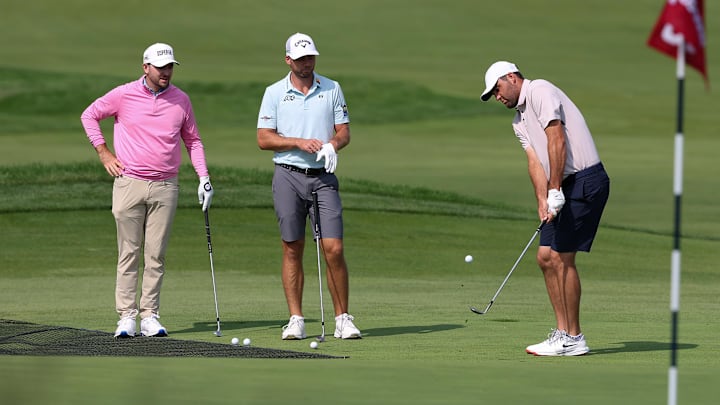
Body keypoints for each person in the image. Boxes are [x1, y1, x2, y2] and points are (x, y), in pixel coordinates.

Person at [81, 43, 214, 338]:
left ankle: (149, 315)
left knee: (156, 255)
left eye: (170, 67)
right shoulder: (124, 94)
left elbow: (193, 141)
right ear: (145, 68)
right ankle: (126, 316)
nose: (166, 72)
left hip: (166, 185)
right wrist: (104, 153)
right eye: (160, 67)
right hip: (129, 183)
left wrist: (203, 176)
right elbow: (89, 115)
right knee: (129, 252)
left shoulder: (181, 100)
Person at [480, 61, 610, 356]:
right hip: (561, 185)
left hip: (585, 180)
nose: (497, 97)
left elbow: (557, 138)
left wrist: (555, 190)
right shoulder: (518, 121)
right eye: (492, 95)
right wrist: (542, 199)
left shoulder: (540, 90)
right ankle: (562, 333)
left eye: (497, 89)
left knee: (562, 258)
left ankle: (574, 337)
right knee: (545, 257)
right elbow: (535, 161)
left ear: (511, 77)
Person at [257, 32, 361, 340]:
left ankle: (343, 318)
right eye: (300, 58)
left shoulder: (332, 88)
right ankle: (296, 319)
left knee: (334, 248)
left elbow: (344, 131)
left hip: (323, 178)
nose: (307, 63)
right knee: (292, 247)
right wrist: (298, 142)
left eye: (310, 57)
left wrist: (332, 146)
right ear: (288, 60)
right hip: (287, 175)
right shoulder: (274, 92)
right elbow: (264, 138)